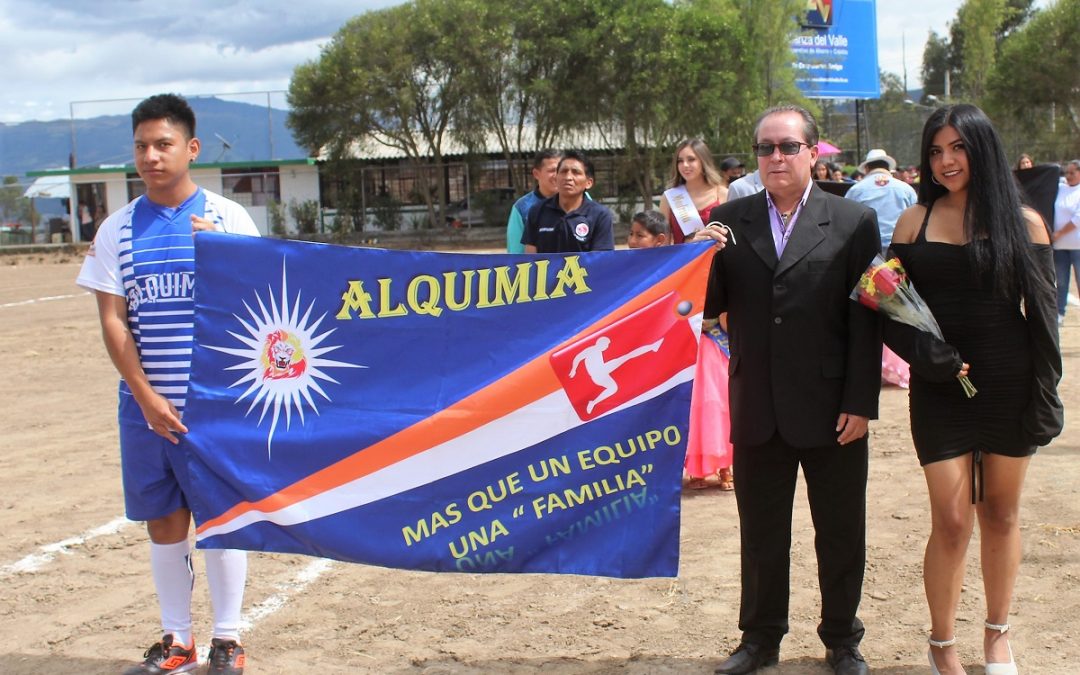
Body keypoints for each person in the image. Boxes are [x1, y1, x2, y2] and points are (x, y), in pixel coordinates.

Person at [76, 93, 259, 675]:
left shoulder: (229, 219)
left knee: (224, 516)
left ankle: (227, 640)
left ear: (191, 149)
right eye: (141, 146)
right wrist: (145, 393)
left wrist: (223, 255)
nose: (151, 156)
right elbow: (113, 318)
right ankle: (176, 640)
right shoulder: (117, 228)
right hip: (145, 405)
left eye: (163, 144)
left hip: (217, 405)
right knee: (164, 521)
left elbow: (262, 306)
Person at [705, 104, 880, 675]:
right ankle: (759, 639)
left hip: (833, 409)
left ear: (812, 151)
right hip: (756, 405)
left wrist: (860, 401)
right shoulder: (729, 221)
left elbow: (867, 319)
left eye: (786, 146)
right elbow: (704, 310)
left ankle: (841, 638)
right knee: (760, 534)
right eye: (764, 148)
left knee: (840, 531)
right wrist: (696, 257)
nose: (774, 157)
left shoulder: (853, 221)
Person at [887, 103, 1062, 675]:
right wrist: (924, 355)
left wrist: (1045, 393)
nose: (946, 160)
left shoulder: (1025, 223)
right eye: (936, 151)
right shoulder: (913, 221)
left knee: (1003, 515)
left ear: (981, 149)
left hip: (1009, 384)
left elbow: (1043, 318)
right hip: (938, 387)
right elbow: (886, 307)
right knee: (953, 519)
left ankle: (997, 636)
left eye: (958, 147)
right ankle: (942, 643)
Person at [627, 209, 735, 491]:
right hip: (676, 350)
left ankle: (726, 466)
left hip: (710, 348)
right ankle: (696, 469)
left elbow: (723, 313)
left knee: (717, 406)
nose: (633, 240)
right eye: (632, 234)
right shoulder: (662, 272)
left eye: (640, 235)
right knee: (690, 410)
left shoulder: (715, 268)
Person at [523, 150, 614, 253]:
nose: (568, 177)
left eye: (576, 172)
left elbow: (602, 260)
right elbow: (530, 259)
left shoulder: (600, 215)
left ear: (589, 183)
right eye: (563, 171)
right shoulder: (537, 212)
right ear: (556, 178)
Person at [845, 148, 917, 255]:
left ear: (867, 168)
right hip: (901, 249)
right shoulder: (907, 189)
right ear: (887, 167)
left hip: (867, 250)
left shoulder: (856, 190)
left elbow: (846, 220)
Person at [659, 139, 729, 243]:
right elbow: (664, 244)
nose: (685, 165)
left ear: (703, 161)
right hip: (685, 259)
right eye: (680, 161)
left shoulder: (724, 194)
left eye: (691, 159)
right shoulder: (669, 198)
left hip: (718, 258)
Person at [506, 149, 561, 254]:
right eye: (552, 170)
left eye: (562, 170)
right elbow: (516, 254)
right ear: (536, 174)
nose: (557, 175)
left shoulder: (581, 200)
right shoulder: (522, 208)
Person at [1051, 160, 1080, 324]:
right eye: (1066, 173)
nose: (1068, 176)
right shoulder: (1060, 188)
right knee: (1061, 283)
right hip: (1060, 247)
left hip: (1078, 246)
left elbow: (1078, 219)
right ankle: (1059, 313)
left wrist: (1060, 233)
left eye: (1072, 173)